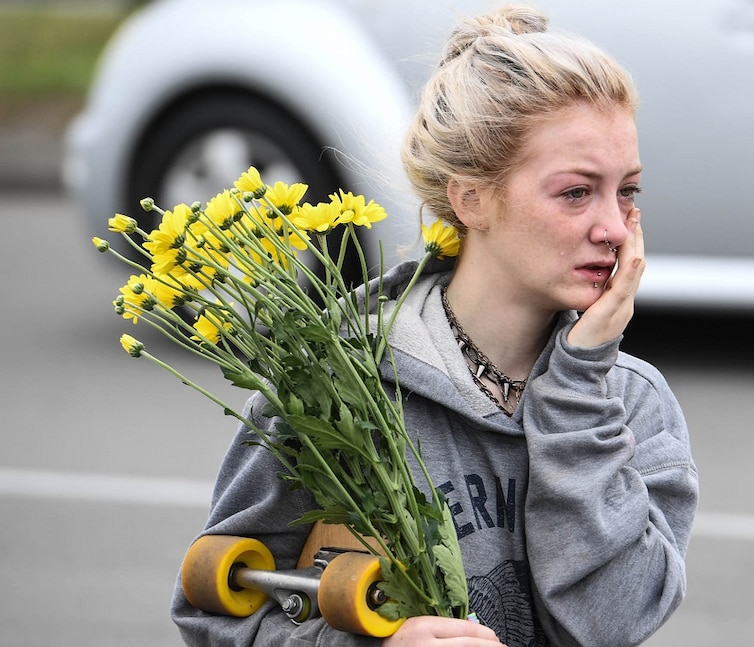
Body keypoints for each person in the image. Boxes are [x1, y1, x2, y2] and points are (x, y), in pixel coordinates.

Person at [171, 4, 699, 646]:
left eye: (628, 192)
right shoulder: (339, 386)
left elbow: (611, 624)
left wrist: (580, 386)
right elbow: (214, 612)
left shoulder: (633, 404)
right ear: (471, 198)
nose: (614, 228)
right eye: (575, 192)